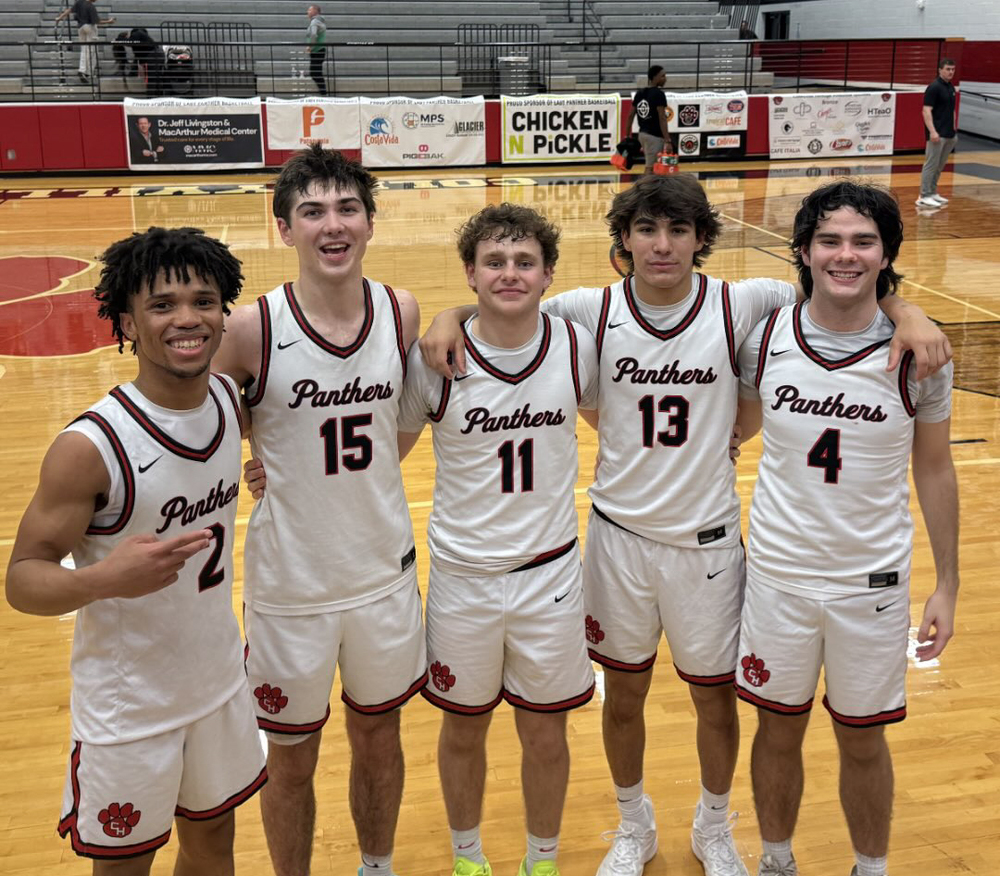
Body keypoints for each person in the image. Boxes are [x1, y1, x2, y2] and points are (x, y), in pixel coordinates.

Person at [418, 174, 951, 876]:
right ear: (624, 241)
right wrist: (448, 316)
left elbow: (842, 288)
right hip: (617, 540)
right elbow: (505, 300)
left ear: (702, 239)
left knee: (715, 698)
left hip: (708, 544)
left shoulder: (744, 303)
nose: (661, 245)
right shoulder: (589, 311)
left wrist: (906, 309)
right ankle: (633, 826)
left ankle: (713, 825)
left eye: (677, 230)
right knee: (626, 696)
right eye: (646, 229)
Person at [5, 227, 266, 875]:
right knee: (125, 865)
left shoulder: (230, 404)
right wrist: (104, 580)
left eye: (204, 301)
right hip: (130, 708)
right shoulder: (91, 446)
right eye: (162, 304)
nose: (187, 319)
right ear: (126, 321)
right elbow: (23, 579)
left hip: (217, 684)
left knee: (214, 851)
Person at [211, 144, 425, 876]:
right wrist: (249, 454)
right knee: (291, 763)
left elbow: (400, 426)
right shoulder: (248, 330)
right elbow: (198, 418)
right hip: (289, 590)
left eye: (346, 208)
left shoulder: (401, 311)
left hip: (382, 577)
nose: (332, 226)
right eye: (312, 212)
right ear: (283, 229)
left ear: (369, 222)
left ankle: (377, 866)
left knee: (379, 741)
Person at [734, 180, 958, 876]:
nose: (846, 255)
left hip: (873, 584)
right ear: (801, 250)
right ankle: (776, 861)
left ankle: (871, 867)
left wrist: (949, 584)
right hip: (778, 577)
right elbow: (732, 432)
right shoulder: (765, 335)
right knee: (777, 730)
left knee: (863, 741)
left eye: (864, 241)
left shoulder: (919, 355)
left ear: (888, 251)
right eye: (829, 240)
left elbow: (936, 471)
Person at [397, 204, 599, 876]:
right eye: (494, 261)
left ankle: (542, 861)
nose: (509, 273)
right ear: (470, 273)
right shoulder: (435, 359)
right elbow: (383, 458)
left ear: (547, 276)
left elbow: (615, 425)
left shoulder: (575, 345)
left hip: (550, 575)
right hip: (464, 578)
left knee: (546, 732)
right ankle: (467, 858)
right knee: (464, 727)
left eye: (524, 262)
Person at [915, 58, 958, 209]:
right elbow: (926, 111)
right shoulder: (934, 87)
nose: (950, 72)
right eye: (948, 69)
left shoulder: (951, 88)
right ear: (940, 70)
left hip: (949, 134)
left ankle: (932, 192)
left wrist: (953, 129)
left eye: (952, 69)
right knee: (931, 165)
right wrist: (933, 132)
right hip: (937, 134)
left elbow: (951, 110)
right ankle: (924, 195)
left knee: (939, 166)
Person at [55, 0, 115, 84]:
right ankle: (87, 72)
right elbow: (97, 22)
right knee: (91, 51)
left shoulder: (79, 2)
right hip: (90, 27)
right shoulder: (91, 6)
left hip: (80, 27)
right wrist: (109, 21)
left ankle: (82, 69)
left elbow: (69, 10)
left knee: (84, 50)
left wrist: (59, 18)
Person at [626, 66, 672, 174]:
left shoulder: (640, 93)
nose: (665, 79)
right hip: (654, 137)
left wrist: (627, 135)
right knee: (650, 168)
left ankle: (650, 189)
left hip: (642, 134)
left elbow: (630, 115)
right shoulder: (659, 95)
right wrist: (668, 140)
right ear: (655, 77)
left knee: (651, 166)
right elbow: (662, 118)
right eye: (663, 76)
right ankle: (645, 190)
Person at [306, 5, 328, 96]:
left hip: (317, 50)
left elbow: (314, 35)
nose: (307, 12)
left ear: (315, 11)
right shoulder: (319, 21)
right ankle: (323, 93)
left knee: (315, 73)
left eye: (309, 10)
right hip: (319, 50)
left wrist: (310, 46)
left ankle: (323, 93)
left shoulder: (315, 21)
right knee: (316, 72)